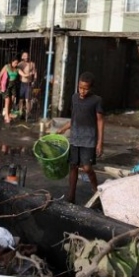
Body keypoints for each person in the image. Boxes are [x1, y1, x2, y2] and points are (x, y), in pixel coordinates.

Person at [57, 72, 104, 204]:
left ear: (91, 88)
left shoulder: (96, 100)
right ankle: (71, 196)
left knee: (87, 168)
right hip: (75, 138)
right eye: (80, 88)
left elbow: (100, 121)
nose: (82, 91)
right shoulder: (74, 98)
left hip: (89, 139)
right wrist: (63, 128)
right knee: (73, 166)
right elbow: (74, 118)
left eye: (86, 88)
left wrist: (100, 142)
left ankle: (97, 192)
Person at [0, 55, 20, 124]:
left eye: (17, 63)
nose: (16, 64)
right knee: (7, 100)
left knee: (12, 100)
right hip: (6, 85)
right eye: (15, 63)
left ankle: (8, 113)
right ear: (12, 61)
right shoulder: (6, 66)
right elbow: (0, 76)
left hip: (13, 86)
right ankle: (6, 116)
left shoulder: (16, 69)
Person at [17, 51, 36, 119]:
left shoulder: (32, 64)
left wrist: (34, 80)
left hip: (28, 84)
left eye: (27, 55)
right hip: (22, 83)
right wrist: (29, 74)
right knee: (21, 99)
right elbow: (21, 74)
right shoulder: (20, 64)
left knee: (27, 100)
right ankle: (20, 112)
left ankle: (28, 113)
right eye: (24, 55)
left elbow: (35, 72)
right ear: (22, 57)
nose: (26, 57)